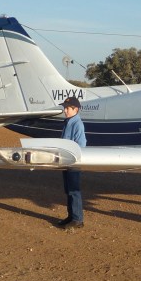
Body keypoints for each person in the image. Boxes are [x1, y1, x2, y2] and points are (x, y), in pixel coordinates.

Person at [56, 96, 87, 230]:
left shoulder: (77, 124)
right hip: (66, 161)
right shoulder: (68, 122)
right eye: (65, 108)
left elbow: (81, 144)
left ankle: (77, 219)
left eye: (68, 108)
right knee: (69, 190)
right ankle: (71, 216)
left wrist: (72, 158)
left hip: (73, 162)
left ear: (76, 109)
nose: (65, 110)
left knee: (74, 190)